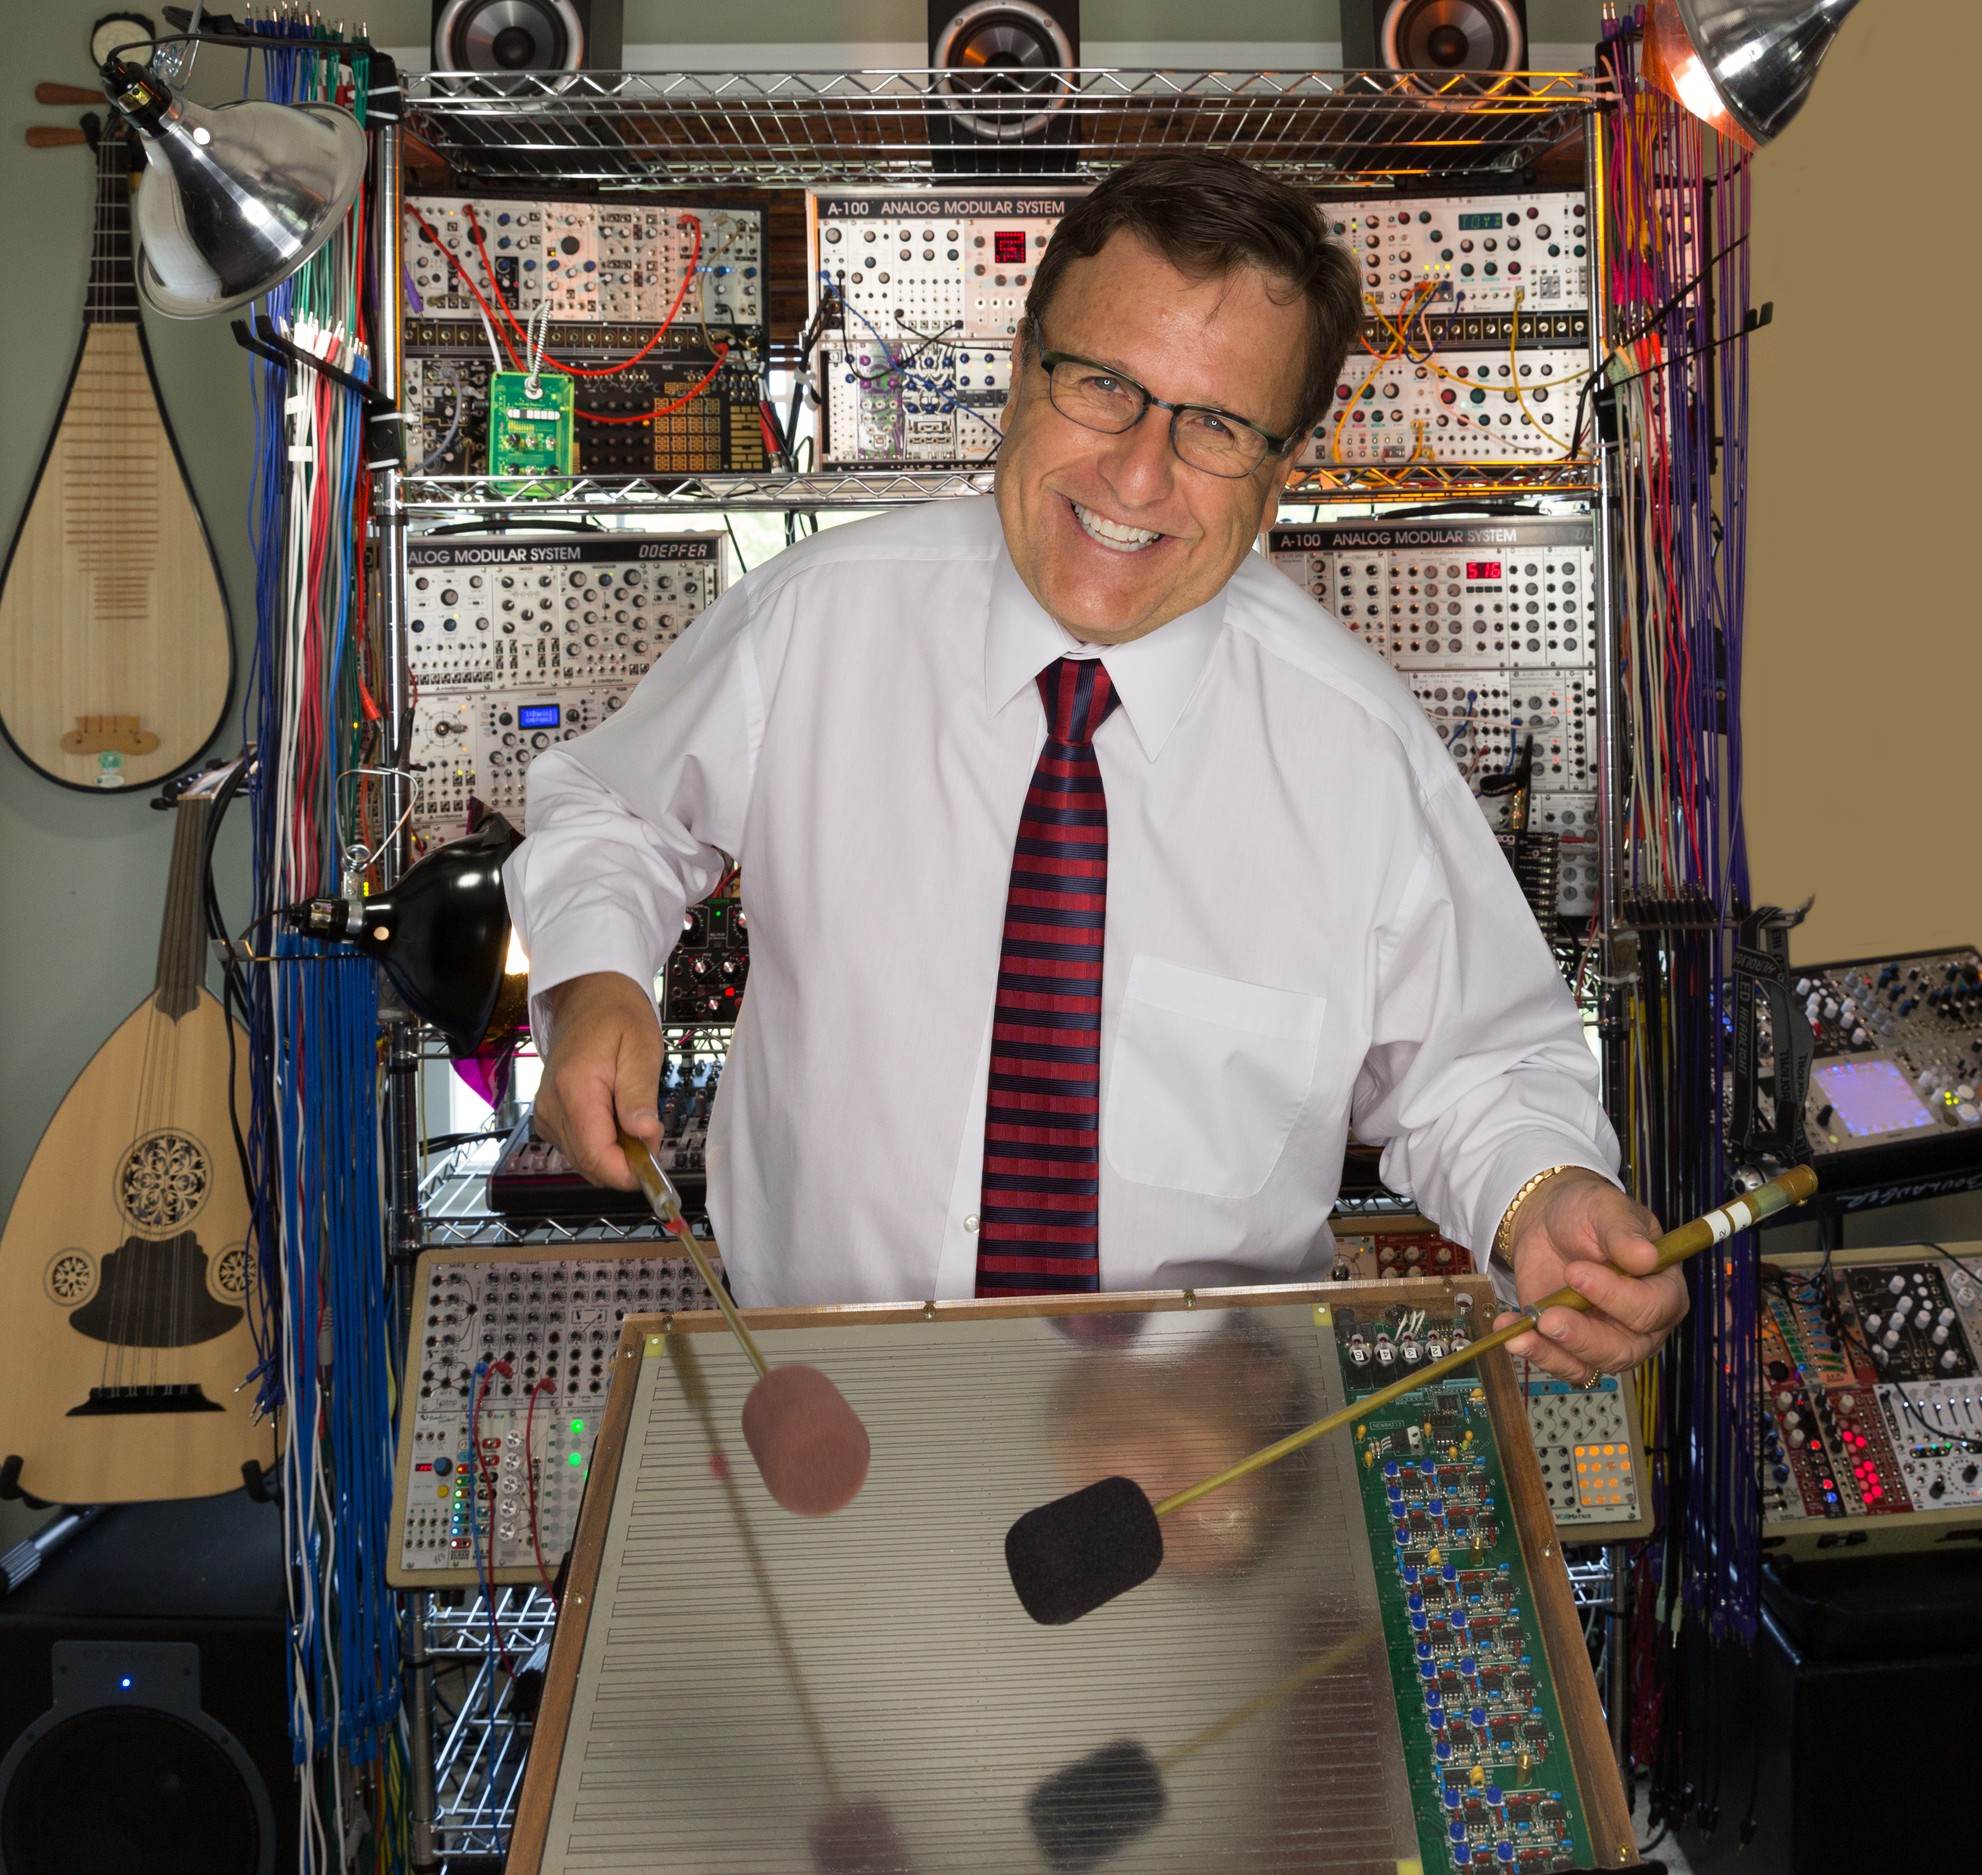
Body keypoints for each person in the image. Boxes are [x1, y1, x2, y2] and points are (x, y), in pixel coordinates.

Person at [503, 153, 1686, 1383]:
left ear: (1282, 472)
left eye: (1218, 425)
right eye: (1105, 385)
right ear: (1023, 372)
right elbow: (616, 810)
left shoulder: (1360, 750)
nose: (1137, 475)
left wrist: (1545, 1195)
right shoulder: (813, 620)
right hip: (824, 1410)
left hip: (1195, 1473)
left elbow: (1481, 1069)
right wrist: (593, 976)